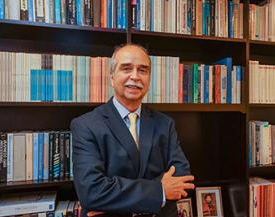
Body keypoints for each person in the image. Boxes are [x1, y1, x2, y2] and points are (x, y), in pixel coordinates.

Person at [71, 43, 195, 217]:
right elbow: (91, 192)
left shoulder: (165, 124)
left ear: (149, 80)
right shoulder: (85, 125)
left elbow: (183, 179)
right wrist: (160, 190)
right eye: (126, 68)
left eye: (143, 70)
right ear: (112, 77)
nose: (135, 76)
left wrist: (112, 201)